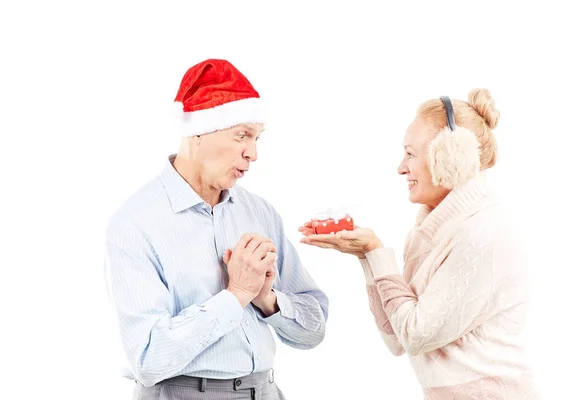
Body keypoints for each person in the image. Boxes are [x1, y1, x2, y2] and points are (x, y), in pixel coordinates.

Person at [104, 59, 328, 400]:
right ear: (197, 133)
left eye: (257, 138)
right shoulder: (136, 222)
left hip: (266, 391)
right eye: (242, 135)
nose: (252, 153)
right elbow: (147, 359)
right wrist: (236, 294)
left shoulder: (260, 212)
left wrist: (266, 298)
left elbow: (314, 330)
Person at [299, 89, 541, 399]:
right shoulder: (427, 231)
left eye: (411, 154)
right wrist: (368, 257)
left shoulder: (481, 233)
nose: (401, 167)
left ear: (451, 155)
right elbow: (396, 340)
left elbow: (415, 335)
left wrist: (375, 252)